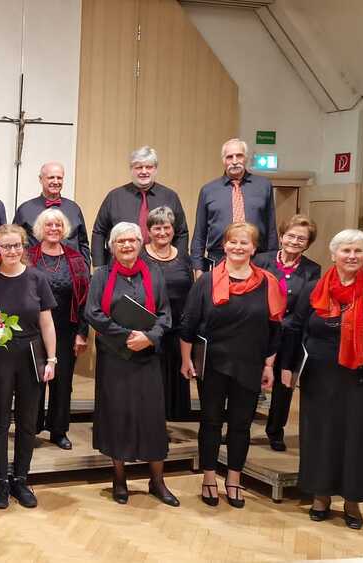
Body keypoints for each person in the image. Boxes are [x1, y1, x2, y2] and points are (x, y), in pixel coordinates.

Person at [280, 229, 363, 530]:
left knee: (357, 437)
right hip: (319, 377)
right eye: (346, 250)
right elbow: (295, 328)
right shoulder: (314, 288)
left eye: (358, 250)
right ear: (333, 255)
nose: (352, 256)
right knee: (319, 435)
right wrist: (287, 367)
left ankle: (352, 500)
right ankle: (320, 496)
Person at [179, 222, 284, 509]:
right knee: (211, 422)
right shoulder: (206, 281)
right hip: (213, 363)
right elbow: (188, 323)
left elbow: (275, 328)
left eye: (244, 242)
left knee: (241, 424)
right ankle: (209, 477)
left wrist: (269, 365)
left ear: (254, 248)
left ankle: (234, 479)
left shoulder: (268, 282)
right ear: (224, 246)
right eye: (233, 242)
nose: (238, 247)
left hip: (250, 363)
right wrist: (186, 359)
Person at [85, 222, 179, 507]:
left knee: (152, 418)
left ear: (140, 244)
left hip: (147, 356)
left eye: (132, 241)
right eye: (120, 241)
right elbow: (93, 312)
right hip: (115, 357)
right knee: (117, 417)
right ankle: (119, 479)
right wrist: (127, 336)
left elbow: (165, 314)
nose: (127, 245)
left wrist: (149, 337)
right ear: (112, 246)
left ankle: (157, 481)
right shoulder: (101, 276)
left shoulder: (154, 273)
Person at [0, 224, 58, 509]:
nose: (12, 251)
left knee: (27, 422)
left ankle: (21, 479)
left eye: (17, 246)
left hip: (31, 355)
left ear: (23, 248)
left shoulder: (37, 278)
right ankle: (0, 480)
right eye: (6, 246)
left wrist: (52, 359)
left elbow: (46, 323)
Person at [253, 214, 321, 451]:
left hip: (291, 336)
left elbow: (306, 306)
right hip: (259, 333)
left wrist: (285, 328)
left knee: (284, 386)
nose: (294, 241)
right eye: (291, 236)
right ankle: (239, 427)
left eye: (301, 238)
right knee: (250, 382)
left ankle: (275, 431)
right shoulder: (261, 260)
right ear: (281, 236)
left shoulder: (312, 270)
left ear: (308, 243)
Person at [27, 208, 90, 449]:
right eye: (49, 224)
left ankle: (58, 430)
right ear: (40, 229)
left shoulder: (76, 259)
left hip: (66, 329)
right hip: (33, 329)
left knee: (62, 383)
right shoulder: (28, 256)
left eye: (58, 225)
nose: (53, 229)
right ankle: (31, 428)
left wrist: (82, 332)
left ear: (64, 229)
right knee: (34, 381)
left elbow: (84, 298)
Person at [140, 206, 196, 421]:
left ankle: (168, 424)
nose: (162, 232)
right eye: (157, 228)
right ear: (149, 231)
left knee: (174, 382)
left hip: (177, 332)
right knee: (151, 382)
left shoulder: (184, 258)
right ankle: (150, 426)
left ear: (173, 229)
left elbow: (191, 292)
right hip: (149, 331)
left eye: (166, 227)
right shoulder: (140, 256)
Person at [191, 139, 278, 274]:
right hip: (219, 259)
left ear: (246, 158)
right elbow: (199, 233)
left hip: (257, 260)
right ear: (223, 160)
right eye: (229, 157)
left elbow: (271, 229)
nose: (235, 161)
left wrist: (273, 264)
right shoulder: (208, 190)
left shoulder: (263, 186)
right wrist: (198, 268)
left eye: (239, 156)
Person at [91, 146, 188, 267]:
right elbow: (99, 232)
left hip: (162, 267)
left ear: (155, 169)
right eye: (138, 167)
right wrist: (99, 266)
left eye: (149, 167)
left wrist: (178, 263)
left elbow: (181, 233)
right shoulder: (114, 197)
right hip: (120, 267)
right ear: (131, 169)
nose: (144, 171)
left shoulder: (170, 197)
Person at [13, 162, 90, 264]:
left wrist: (85, 266)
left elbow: (83, 243)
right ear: (40, 179)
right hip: (35, 269)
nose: (56, 181)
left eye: (59, 178)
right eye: (51, 177)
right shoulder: (25, 210)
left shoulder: (74, 208)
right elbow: (15, 242)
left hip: (71, 269)